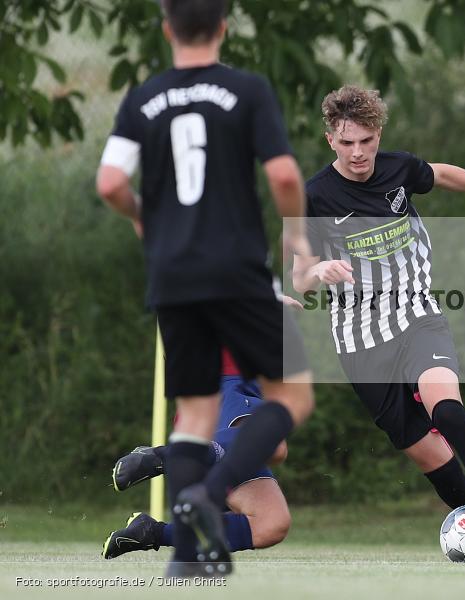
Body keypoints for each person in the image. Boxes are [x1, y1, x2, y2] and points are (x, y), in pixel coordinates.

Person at [292, 85, 465, 562]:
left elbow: (442, 173)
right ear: (330, 138)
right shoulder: (314, 196)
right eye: (348, 142)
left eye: (368, 141)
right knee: (429, 456)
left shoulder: (398, 168)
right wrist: (319, 271)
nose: (359, 153)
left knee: (446, 408)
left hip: (417, 314)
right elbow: (300, 279)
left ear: (378, 136)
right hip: (359, 340)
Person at [95, 0, 313, 577]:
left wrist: (149, 222)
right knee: (292, 405)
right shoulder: (246, 89)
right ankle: (194, 483)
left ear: (167, 29)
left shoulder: (142, 97)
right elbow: (286, 175)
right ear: (223, 27)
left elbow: (111, 183)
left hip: (173, 277)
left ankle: (182, 554)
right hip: (234, 268)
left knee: (200, 422)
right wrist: (299, 243)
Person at [102, 352, 290, 559]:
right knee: (272, 443)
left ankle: (150, 533)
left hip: (219, 395)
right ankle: (169, 456)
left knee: (270, 523)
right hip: (228, 380)